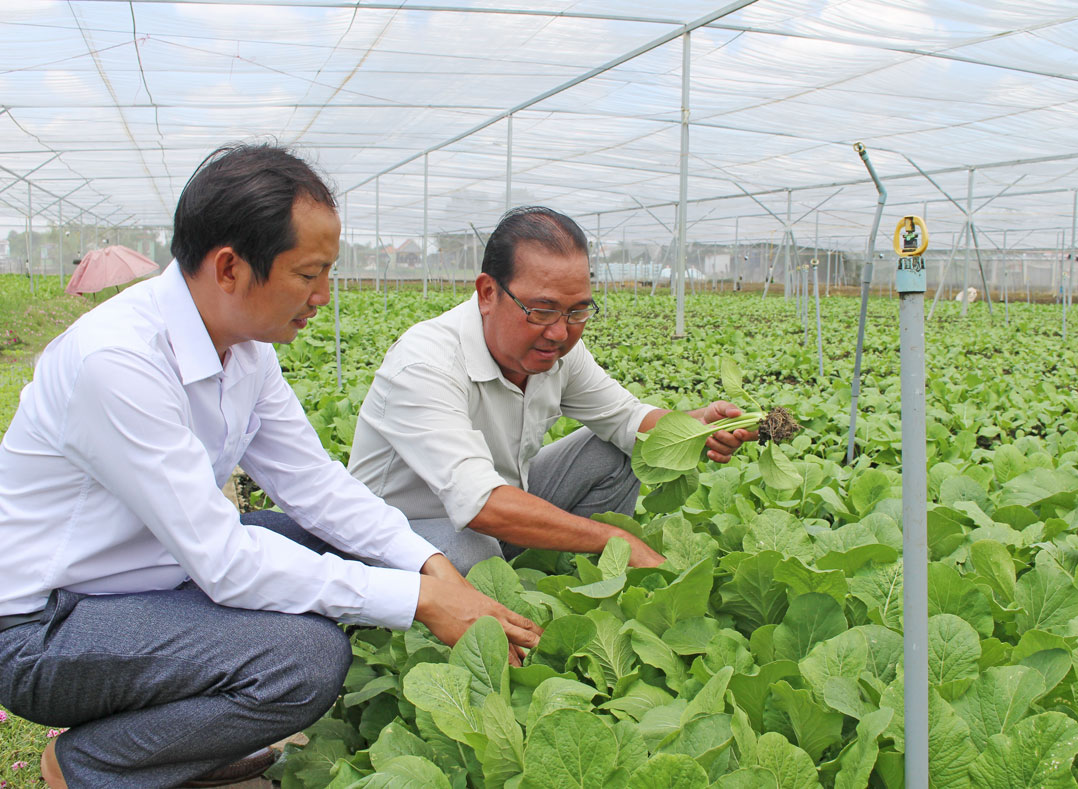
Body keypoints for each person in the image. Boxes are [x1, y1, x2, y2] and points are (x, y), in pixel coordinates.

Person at [0, 144, 540, 789]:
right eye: (309, 273)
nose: (323, 296)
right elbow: (224, 563)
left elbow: (314, 483)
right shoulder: (116, 362)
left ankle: (184, 743)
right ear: (230, 267)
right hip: (46, 624)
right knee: (304, 660)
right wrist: (418, 601)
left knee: (345, 547)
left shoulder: (245, 347)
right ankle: (94, 763)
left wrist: (428, 566)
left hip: (148, 576)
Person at [348, 206, 756, 574]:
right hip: (398, 534)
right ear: (488, 293)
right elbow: (481, 504)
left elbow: (628, 419)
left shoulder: (557, 349)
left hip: (502, 512)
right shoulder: (426, 362)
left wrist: (693, 427)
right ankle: (520, 581)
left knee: (618, 451)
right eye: (541, 311)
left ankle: (574, 583)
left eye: (577, 311)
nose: (560, 333)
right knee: (473, 551)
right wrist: (611, 539)